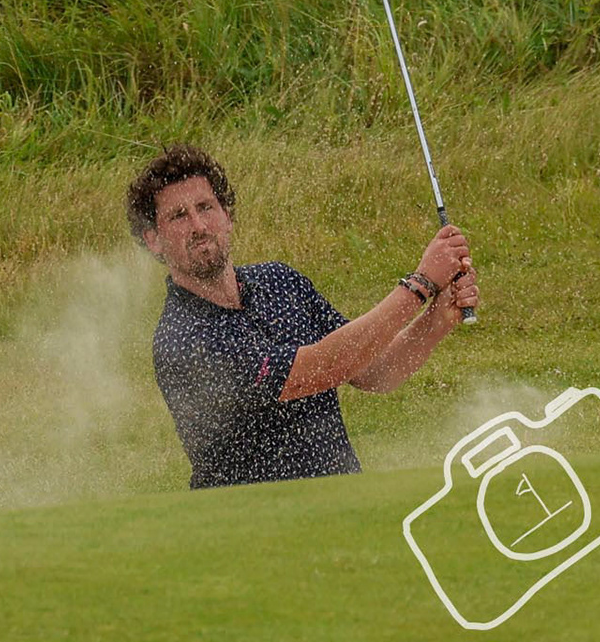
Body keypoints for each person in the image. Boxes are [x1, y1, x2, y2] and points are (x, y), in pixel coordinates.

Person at [126, 143, 477, 489]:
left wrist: (438, 320)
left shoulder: (280, 281)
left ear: (227, 217)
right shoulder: (184, 339)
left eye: (205, 207)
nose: (198, 225)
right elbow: (321, 368)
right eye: (179, 216)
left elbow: (373, 370)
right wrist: (419, 285)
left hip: (340, 503)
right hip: (253, 527)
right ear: (153, 240)